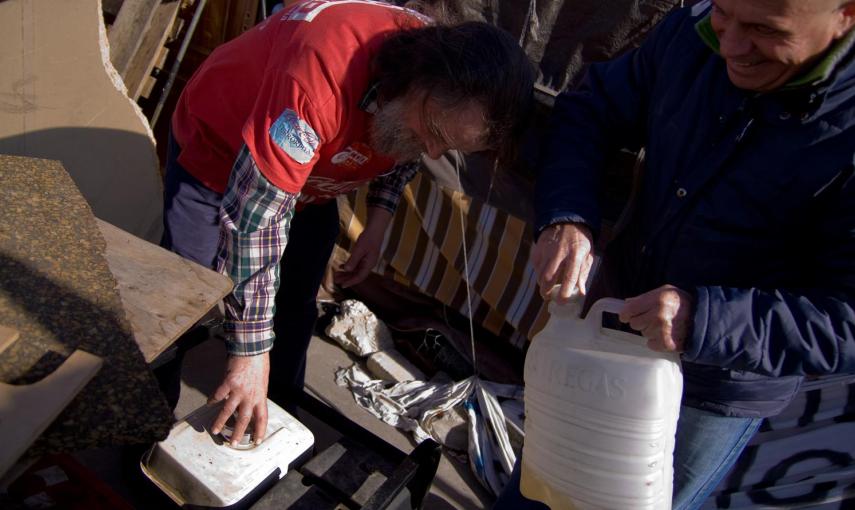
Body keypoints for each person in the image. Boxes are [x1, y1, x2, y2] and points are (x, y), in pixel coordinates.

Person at [494, 0, 855, 508]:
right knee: (542, 485)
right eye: (725, 14)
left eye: (762, 30)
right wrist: (568, 214)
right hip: (607, 333)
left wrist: (704, 319)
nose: (729, 47)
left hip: (714, 390)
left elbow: (847, 321)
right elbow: (590, 110)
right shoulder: (691, 33)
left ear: (846, 16)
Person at [160, 0, 534, 448]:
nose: (432, 153)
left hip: (311, 184)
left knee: (296, 299)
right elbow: (256, 219)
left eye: (449, 146)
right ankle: (145, 429)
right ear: (417, 79)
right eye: (432, 132)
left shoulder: (430, 90)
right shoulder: (319, 78)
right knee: (181, 302)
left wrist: (379, 218)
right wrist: (250, 352)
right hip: (219, 152)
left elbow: (407, 145)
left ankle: (275, 420)